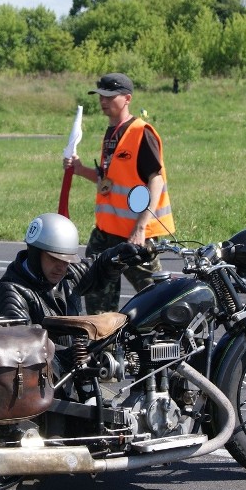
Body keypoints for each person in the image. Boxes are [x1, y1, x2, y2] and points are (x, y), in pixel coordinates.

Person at [62, 72, 175, 314]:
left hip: (135, 236)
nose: (103, 101)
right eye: (101, 96)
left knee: (160, 302)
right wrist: (79, 169)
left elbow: (156, 180)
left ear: (127, 98)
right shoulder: (112, 134)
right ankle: (105, 351)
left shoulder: (141, 132)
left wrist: (141, 227)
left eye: (110, 96)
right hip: (105, 235)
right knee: (98, 311)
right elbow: (109, 183)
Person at [0, 212, 150, 325]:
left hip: (70, 369)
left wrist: (119, 256)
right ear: (36, 254)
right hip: (41, 372)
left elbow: (96, 268)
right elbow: (22, 352)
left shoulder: (67, 276)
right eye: (54, 259)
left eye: (66, 261)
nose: (61, 267)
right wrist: (75, 355)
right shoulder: (11, 293)